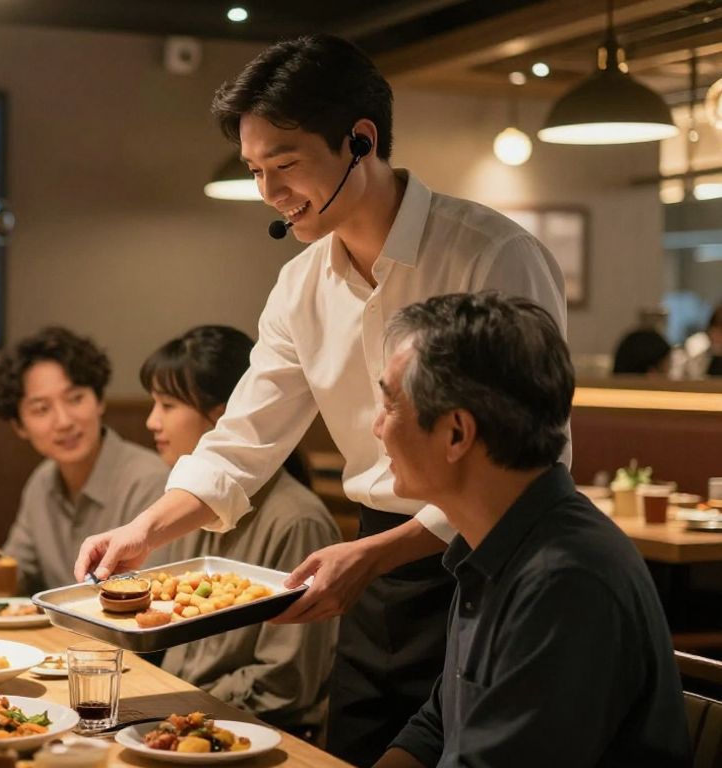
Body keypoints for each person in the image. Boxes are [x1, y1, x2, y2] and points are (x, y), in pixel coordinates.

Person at [73, 34, 568, 765]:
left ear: (360, 140)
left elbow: (538, 454)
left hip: (494, 561)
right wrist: (147, 531)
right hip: (370, 563)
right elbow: (243, 441)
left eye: (285, 165)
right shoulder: (301, 284)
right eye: (254, 171)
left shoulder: (491, 254)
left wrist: (375, 554)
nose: (269, 194)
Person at [373, 292, 689, 767]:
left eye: (390, 405)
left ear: (457, 433)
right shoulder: (488, 541)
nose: (378, 427)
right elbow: (439, 726)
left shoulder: (567, 581)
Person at [141, 326, 340, 739]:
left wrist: (175, 710)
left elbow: (284, 685)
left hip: (256, 734)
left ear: (225, 417)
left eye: (167, 404)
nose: (151, 421)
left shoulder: (297, 520)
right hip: (182, 717)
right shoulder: (189, 508)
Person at [0, 326, 170, 594]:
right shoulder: (42, 483)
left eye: (75, 399)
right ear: (19, 426)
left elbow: (152, 596)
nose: (63, 421)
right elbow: (17, 585)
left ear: (99, 401)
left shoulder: (150, 481)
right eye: (41, 409)